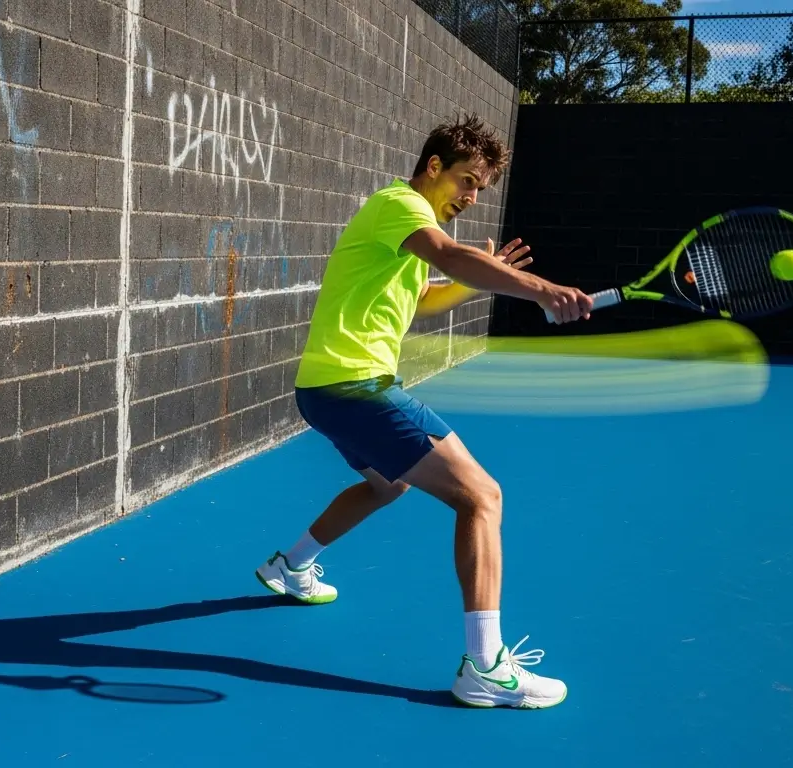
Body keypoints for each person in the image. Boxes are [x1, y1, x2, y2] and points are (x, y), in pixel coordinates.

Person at [254, 113, 593, 709]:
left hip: (325, 388)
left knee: (388, 487)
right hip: (355, 386)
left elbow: (428, 299)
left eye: (479, 190)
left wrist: (492, 278)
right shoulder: (401, 207)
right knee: (482, 497)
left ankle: (290, 566)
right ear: (432, 167)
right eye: (465, 181)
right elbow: (452, 256)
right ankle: (485, 667)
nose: (469, 196)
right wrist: (540, 290)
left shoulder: (402, 231)